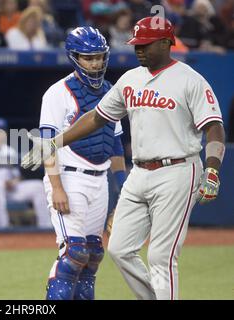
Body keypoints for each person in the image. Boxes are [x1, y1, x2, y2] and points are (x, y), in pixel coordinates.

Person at [22, 17, 225, 300]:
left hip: (178, 169)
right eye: (136, 44)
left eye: (145, 44)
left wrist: (213, 169)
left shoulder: (190, 79)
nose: (139, 49)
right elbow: (95, 118)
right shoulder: (129, 79)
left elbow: (214, 127)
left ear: (166, 43)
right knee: (116, 250)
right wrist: (54, 143)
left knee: (159, 256)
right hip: (135, 173)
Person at [39, 26, 127, 300]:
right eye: (89, 57)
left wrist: (122, 190)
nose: (96, 62)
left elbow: (114, 144)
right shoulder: (58, 92)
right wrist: (57, 187)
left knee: (92, 256)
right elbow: (46, 143)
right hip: (68, 175)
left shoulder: (112, 91)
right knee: (74, 252)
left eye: (99, 57)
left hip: (99, 180)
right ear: (74, 57)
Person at [0, 118, 52, 230]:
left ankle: (45, 228)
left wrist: (12, 182)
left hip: (7, 191)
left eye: (2, 131)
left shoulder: (9, 151)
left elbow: (17, 177)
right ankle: (3, 228)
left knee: (38, 186)